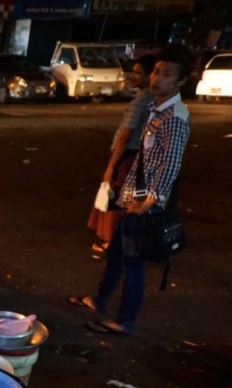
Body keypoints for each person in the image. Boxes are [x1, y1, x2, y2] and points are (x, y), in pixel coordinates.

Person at [71, 45, 193, 335]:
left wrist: (150, 201)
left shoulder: (174, 116)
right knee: (116, 253)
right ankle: (99, 300)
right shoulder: (156, 107)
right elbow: (145, 156)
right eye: (156, 72)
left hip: (144, 202)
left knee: (132, 263)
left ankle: (123, 321)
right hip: (134, 196)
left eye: (166, 75)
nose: (157, 78)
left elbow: (170, 163)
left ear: (180, 81)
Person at [88, 54, 157, 252]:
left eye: (138, 73)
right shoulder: (153, 99)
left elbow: (125, 136)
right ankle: (125, 240)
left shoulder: (141, 102)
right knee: (129, 198)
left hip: (128, 154)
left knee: (115, 196)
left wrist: (111, 167)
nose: (132, 76)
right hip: (140, 154)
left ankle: (110, 240)